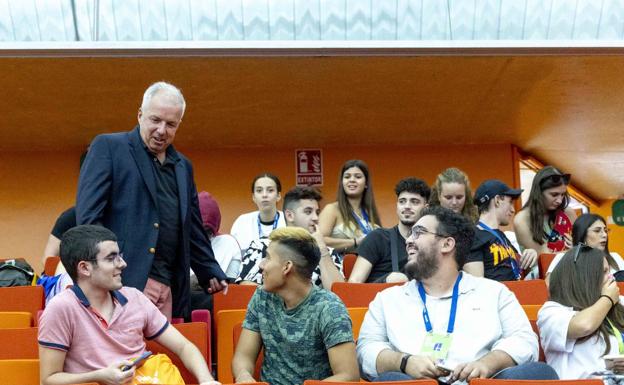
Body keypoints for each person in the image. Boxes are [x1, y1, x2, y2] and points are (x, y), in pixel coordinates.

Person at [76, 81, 227, 320]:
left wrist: (210, 270)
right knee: (127, 356)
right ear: (139, 115)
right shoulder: (109, 147)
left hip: (171, 286)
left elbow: (193, 227)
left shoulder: (183, 166)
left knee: (160, 358)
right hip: (124, 282)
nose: (161, 130)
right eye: (155, 120)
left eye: (170, 124)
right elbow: (89, 220)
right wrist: (110, 269)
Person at [356, 206, 557, 383]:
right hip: (417, 383)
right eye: (410, 234)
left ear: (447, 244)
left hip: (479, 383)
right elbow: (366, 350)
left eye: (418, 233)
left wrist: (486, 364)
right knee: (392, 380)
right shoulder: (387, 299)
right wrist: (404, 362)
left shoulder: (494, 292)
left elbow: (524, 341)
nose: (408, 240)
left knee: (539, 372)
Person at [38, 225, 220, 385]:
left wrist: (206, 380)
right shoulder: (61, 308)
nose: (123, 264)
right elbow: (49, 379)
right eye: (111, 258)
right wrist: (99, 376)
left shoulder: (134, 298)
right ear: (84, 268)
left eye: (120, 256)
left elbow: (184, 347)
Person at [232, 227, 359, 385]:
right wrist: (243, 375)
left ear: (287, 267)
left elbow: (348, 376)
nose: (261, 265)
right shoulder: (262, 297)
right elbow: (243, 356)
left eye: (267, 257)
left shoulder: (329, 308)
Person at [537, 245, 624, 380]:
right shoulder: (551, 312)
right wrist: (607, 299)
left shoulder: (619, 303)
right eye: (605, 272)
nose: (612, 277)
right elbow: (584, 325)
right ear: (586, 278)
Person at [236, 186, 344, 290]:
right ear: (289, 216)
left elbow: (339, 295)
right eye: (308, 212)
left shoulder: (328, 253)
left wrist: (322, 249)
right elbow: (246, 288)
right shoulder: (261, 245)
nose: (316, 218)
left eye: (317, 212)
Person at [349, 177, 430, 283]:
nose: (407, 206)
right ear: (397, 205)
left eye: (414, 202)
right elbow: (354, 284)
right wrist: (385, 280)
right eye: (402, 201)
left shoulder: (432, 242)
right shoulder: (378, 238)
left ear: (426, 208)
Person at [464, 179, 538, 281]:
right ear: (497, 200)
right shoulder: (472, 236)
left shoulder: (502, 237)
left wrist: (530, 255)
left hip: (517, 292)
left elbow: (520, 272)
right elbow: (476, 286)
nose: (513, 210)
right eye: (510, 202)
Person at [319, 159, 381, 254]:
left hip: (371, 267)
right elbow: (318, 240)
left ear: (366, 184)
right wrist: (354, 242)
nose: (352, 180)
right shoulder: (332, 209)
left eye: (358, 177)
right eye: (347, 177)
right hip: (339, 267)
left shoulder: (370, 213)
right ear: (342, 183)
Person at [514, 166, 577, 254]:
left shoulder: (568, 213)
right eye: (554, 195)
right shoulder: (522, 220)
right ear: (539, 192)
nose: (559, 200)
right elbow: (543, 257)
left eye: (562, 194)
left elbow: (581, 245)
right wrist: (573, 251)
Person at [545, 213, 624, 284]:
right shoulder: (563, 258)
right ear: (583, 235)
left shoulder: (615, 256)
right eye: (597, 231)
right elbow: (549, 287)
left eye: (606, 230)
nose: (604, 235)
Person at [230, 173, 286, 253]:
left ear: (278, 196)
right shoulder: (242, 222)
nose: (264, 195)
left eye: (270, 190)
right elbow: (235, 254)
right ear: (253, 197)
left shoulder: (288, 221)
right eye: (259, 190)